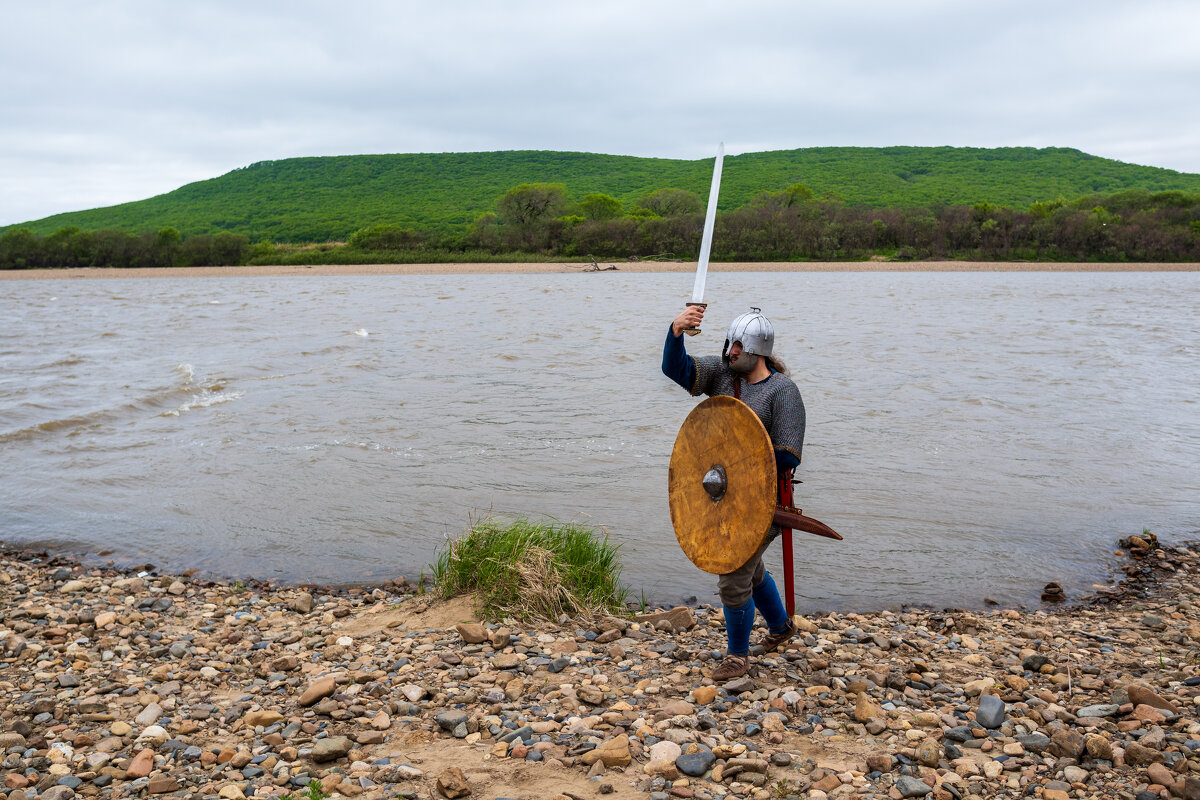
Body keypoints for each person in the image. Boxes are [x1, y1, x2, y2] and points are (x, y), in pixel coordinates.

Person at [662, 304, 805, 679]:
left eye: (740, 346)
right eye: (731, 343)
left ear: (758, 350)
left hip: (764, 502)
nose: (732, 351)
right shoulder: (723, 376)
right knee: (751, 570)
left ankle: (737, 657)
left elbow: (788, 456)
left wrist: (745, 457)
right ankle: (780, 628)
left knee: (733, 571)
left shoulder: (782, 392)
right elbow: (677, 370)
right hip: (719, 495)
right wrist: (676, 331)